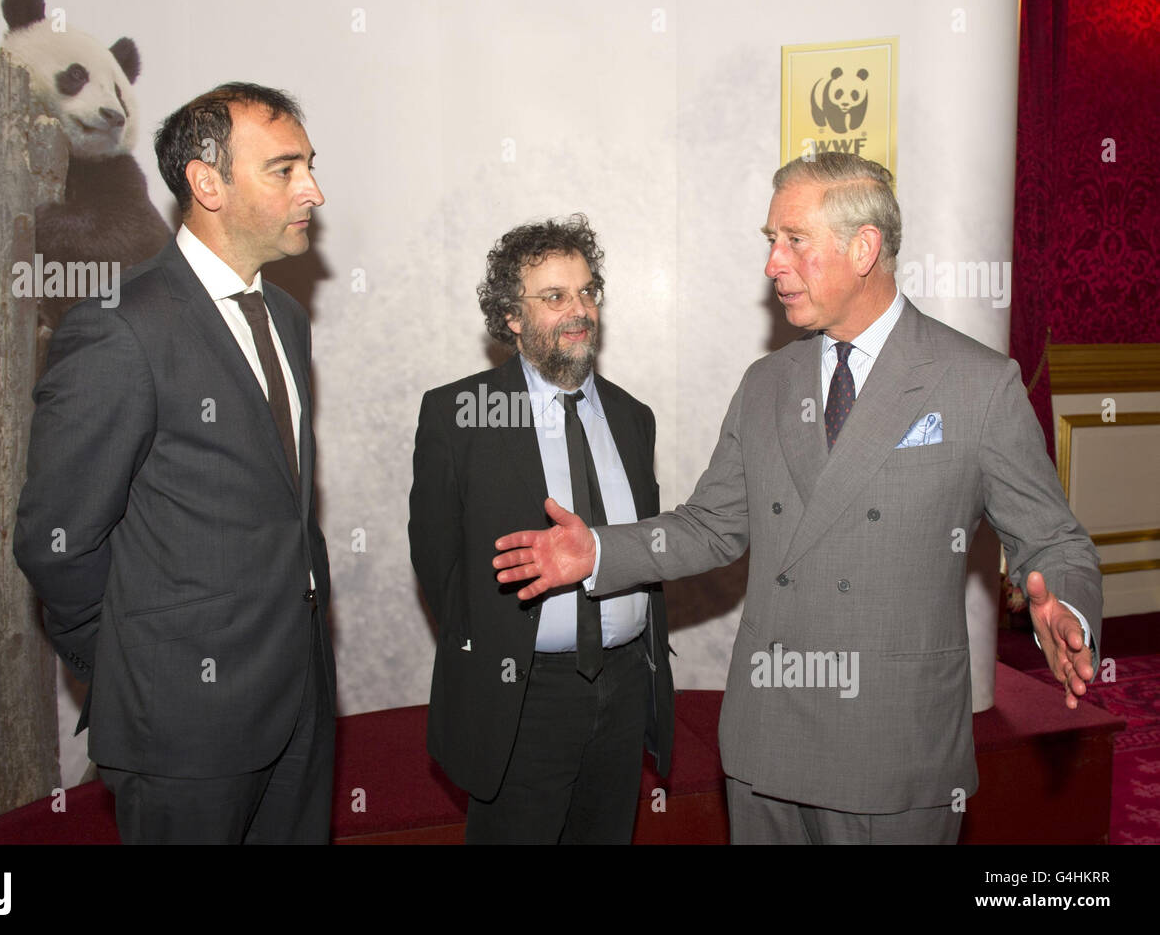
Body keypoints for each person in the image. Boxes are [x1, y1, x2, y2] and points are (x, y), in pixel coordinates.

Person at [492, 154, 1102, 844]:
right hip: (767, 747)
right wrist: (598, 549)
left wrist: (1067, 607)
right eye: (770, 240)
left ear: (863, 247)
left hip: (891, 754)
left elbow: (1054, 540)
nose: (772, 263)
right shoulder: (767, 384)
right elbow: (713, 525)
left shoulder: (977, 385)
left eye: (793, 241)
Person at [14, 83, 335, 844]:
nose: (313, 191)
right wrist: (133, 668)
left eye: (310, 166)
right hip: (181, 727)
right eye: (285, 169)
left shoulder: (286, 318)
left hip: (300, 702)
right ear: (207, 182)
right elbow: (56, 540)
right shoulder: (120, 330)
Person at [409, 215, 674, 844]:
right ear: (512, 317)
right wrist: (504, 651)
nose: (578, 309)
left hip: (623, 688)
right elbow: (439, 566)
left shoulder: (634, 418)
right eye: (554, 297)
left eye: (587, 292)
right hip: (521, 698)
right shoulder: (459, 414)